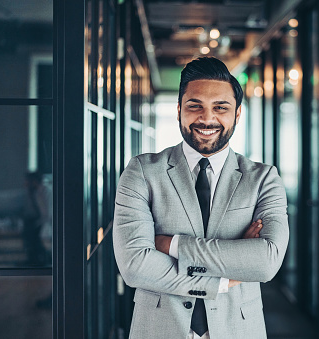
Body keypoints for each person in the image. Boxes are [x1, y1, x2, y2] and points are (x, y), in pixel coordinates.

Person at [113, 57, 289, 339]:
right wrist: (224, 279)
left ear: (237, 114)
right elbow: (135, 267)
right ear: (179, 110)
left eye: (221, 107)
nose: (207, 119)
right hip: (159, 329)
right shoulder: (142, 171)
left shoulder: (263, 178)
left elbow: (266, 263)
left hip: (239, 329)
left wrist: (171, 245)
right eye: (195, 106)